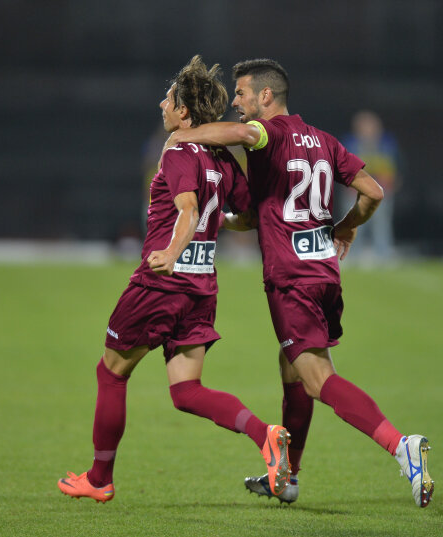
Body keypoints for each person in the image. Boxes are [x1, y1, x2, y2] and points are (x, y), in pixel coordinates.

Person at [167, 59, 434, 507]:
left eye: (241, 93)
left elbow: (240, 134)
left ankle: (401, 446)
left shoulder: (266, 132)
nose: (236, 101)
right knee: (291, 365)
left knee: (317, 377)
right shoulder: (326, 141)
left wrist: (183, 136)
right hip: (325, 274)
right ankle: (288, 476)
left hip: (291, 278)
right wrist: (345, 227)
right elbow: (373, 191)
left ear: (266, 96)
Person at [57, 56, 291, 503]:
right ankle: (265, 434)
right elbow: (246, 215)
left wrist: (172, 249)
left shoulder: (179, 151)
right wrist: (214, 225)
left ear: (184, 112)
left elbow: (187, 208)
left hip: (161, 285)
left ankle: (100, 479)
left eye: (168, 99)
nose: (161, 104)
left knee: (111, 373)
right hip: (202, 287)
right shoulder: (221, 158)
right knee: (186, 391)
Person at [340, 110, 402, 262]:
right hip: (355, 192)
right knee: (353, 225)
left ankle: (383, 254)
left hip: (380, 191)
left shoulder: (387, 143)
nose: (368, 130)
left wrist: (394, 181)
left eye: (371, 126)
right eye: (364, 126)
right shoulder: (349, 143)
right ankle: (351, 255)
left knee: (381, 224)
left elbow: (396, 165)